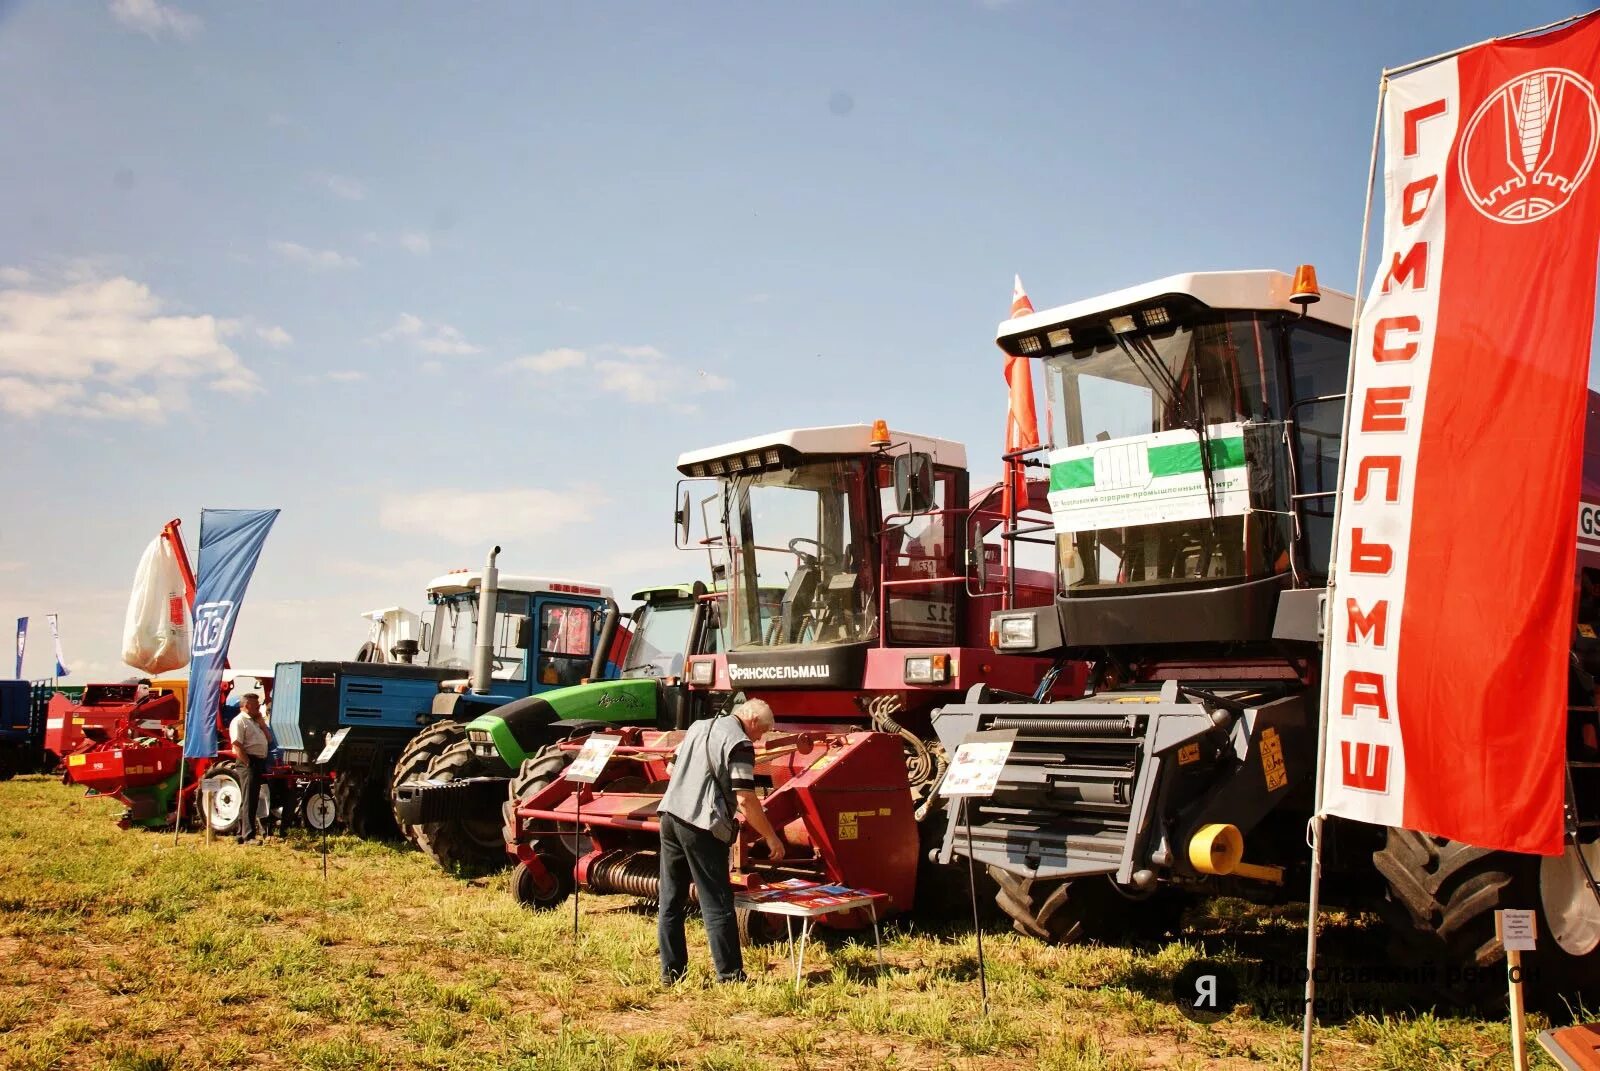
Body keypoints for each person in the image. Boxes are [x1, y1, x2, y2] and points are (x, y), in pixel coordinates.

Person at [657, 698, 785, 984]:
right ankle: (730, 975)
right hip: (701, 825)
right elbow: (745, 797)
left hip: (670, 816)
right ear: (751, 719)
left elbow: (670, 769)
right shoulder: (739, 743)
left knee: (671, 899)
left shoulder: (698, 727)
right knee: (717, 902)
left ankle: (671, 973)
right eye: (761, 731)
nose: (759, 737)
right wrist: (771, 836)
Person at [228, 692, 270, 843]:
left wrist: (262, 724)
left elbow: (269, 739)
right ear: (246, 706)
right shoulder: (239, 721)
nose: (259, 708)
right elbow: (237, 744)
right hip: (248, 761)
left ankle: (240, 833)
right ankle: (249, 836)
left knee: (248, 798)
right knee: (250, 799)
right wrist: (248, 763)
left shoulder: (255, 721)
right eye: (256, 705)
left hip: (257, 761)